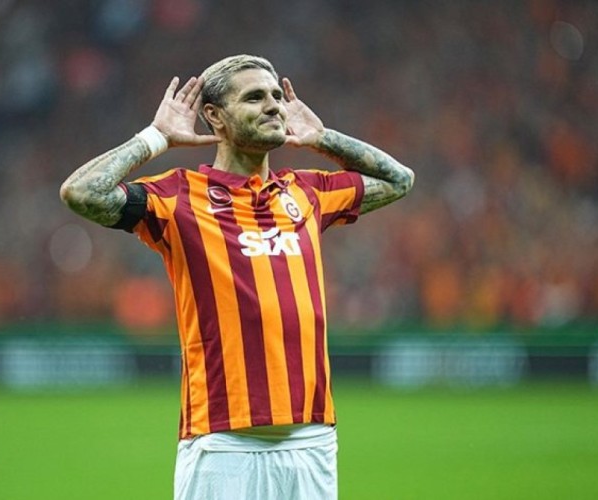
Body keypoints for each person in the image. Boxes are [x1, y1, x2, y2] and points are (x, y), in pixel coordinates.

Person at [60, 54, 414, 499]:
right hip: (224, 444)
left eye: (276, 96)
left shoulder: (307, 192)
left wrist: (323, 139)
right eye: (254, 97)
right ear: (214, 117)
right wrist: (156, 137)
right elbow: (81, 192)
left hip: (311, 441)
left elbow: (400, 180)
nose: (273, 105)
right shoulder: (179, 197)